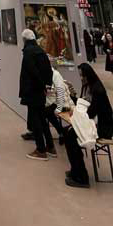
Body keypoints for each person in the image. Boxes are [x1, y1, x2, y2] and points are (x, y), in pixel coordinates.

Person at [64, 63, 113, 189]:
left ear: (88, 75)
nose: (81, 78)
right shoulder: (89, 87)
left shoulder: (97, 90)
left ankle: (82, 177)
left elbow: (91, 112)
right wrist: (72, 95)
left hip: (102, 128)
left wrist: (76, 117)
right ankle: (76, 171)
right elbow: (83, 106)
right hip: (91, 123)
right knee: (67, 134)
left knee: (71, 137)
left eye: (83, 76)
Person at [19, 29, 55, 161]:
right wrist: (47, 85)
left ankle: (41, 150)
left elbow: (32, 72)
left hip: (32, 90)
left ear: (24, 40)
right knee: (42, 119)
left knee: (36, 120)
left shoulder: (28, 52)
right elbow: (49, 70)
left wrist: (41, 85)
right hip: (40, 90)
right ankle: (50, 146)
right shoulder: (40, 50)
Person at [45, 63, 73, 145]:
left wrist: (59, 109)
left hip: (62, 103)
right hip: (53, 102)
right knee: (44, 112)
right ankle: (61, 132)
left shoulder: (56, 75)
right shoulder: (45, 74)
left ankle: (61, 132)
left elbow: (61, 94)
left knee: (46, 113)